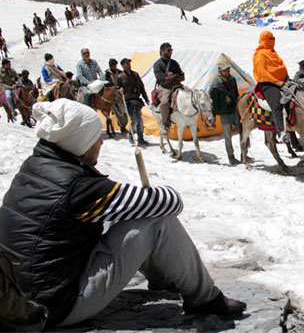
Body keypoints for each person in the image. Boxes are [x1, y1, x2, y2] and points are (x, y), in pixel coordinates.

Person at [0, 99, 246, 328]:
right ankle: (205, 298)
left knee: (124, 212)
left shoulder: (37, 166)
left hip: (28, 295)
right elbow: (169, 203)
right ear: (81, 145)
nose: (101, 143)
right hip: (57, 306)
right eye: (96, 137)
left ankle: (163, 281)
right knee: (154, 220)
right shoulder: (76, 187)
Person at [253, 31, 289, 141]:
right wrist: (276, 82)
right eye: (271, 38)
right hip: (268, 84)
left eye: (273, 38)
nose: (273, 41)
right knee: (277, 104)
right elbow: (261, 72)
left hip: (281, 81)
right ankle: (281, 131)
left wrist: (285, 77)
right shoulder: (260, 54)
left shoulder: (272, 52)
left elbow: (280, 68)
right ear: (265, 40)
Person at [209, 62, 240, 165]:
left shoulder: (232, 80)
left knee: (242, 132)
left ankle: (244, 154)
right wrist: (214, 115)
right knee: (228, 137)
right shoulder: (215, 85)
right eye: (224, 71)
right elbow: (214, 102)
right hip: (224, 113)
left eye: (227, 70)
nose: (227, 72)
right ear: (219, 71)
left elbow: (236, 94)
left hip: (234, 110)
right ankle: (231, 157)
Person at [117, 58, 150, 146]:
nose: (128, 65)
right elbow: (116, 89)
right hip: (128, 101)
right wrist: (119, 90)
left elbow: (141, 87)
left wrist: (146, 98)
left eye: (129, 63)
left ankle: (140, 138)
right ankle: (131, 135)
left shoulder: (135, 74)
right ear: (123, 65)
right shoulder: (120, 77)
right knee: (134, 120)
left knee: (139, 120)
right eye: (126, 63)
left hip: (136, 100)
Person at [153, 43, 185, 129]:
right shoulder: (157, 65)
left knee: (191, 96)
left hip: (177, 85)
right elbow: (163, 81)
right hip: (165, 88)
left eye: (171, 50)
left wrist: (171, 78)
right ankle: (165, 124)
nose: (170, 52)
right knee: (165, 103)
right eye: (168, 50)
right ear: (161, 51)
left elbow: (182, 77)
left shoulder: (174, 63)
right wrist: (174, 76)